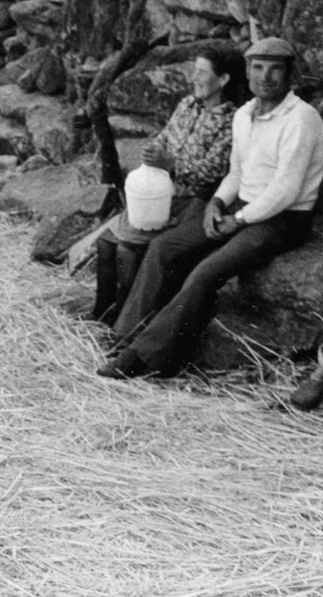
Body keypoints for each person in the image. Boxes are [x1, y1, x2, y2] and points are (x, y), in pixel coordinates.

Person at [100, 37, 323, 380]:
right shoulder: (245, 115)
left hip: (283, 219)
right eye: (258, 68)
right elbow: (236, 173)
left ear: (288, 74)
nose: (265, 76)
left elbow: (286, 190)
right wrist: (217, 203)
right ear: (247, 72)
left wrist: (238, 219)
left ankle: (142, 358)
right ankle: (123, 336)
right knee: (164, 248)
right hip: (241, 207)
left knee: (205, 273)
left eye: (275, 69)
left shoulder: (302, 118)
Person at [91, 46, 245, 326]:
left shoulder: (231, 121)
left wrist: (173, 164)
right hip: (161, 196)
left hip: (193, 203)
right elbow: (163, 138)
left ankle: (124, 323)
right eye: (194, 70)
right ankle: (100, 318)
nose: (194, 77)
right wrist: (152, 151)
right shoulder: (187, 105)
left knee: (127, 252)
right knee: (105, 242)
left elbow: (212, 174)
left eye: (201, 72)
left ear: (223, 80)